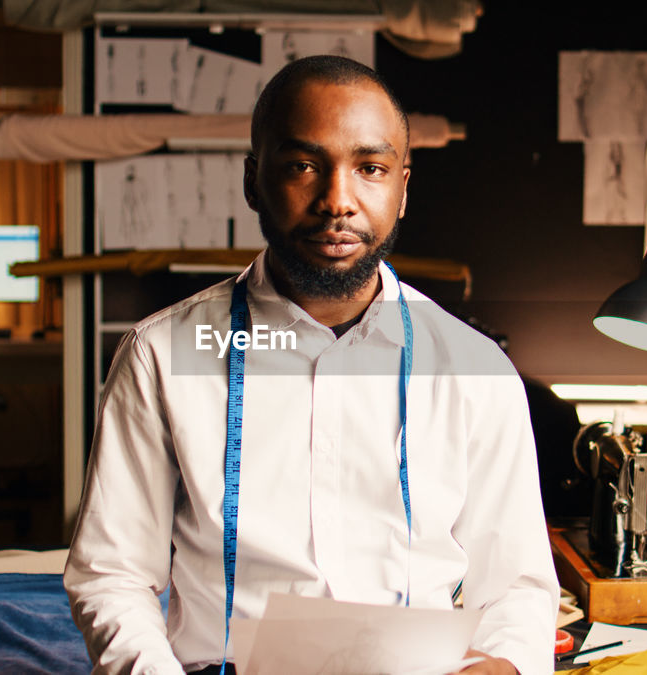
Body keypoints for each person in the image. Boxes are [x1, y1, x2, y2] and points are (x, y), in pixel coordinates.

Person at [65, 55, 558, 675]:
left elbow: (517, 585)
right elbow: (111, 575)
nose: (337, 201)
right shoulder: (161, 356)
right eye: (303, 166)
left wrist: (507, 663)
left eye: (370, 168)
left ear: (403, 188)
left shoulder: (474, 370)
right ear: (253, 181)